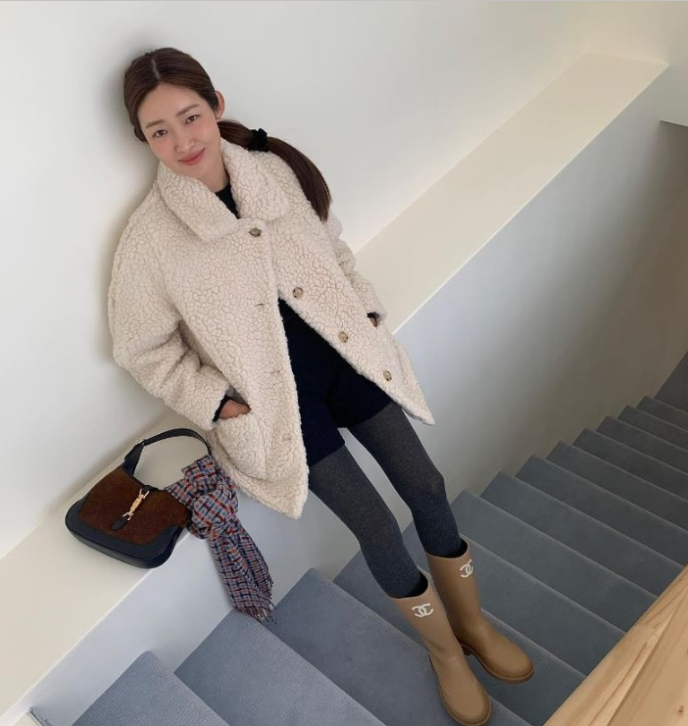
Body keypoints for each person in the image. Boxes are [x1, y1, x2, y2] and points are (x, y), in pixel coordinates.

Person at [110, 46, 533, 726]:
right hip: (276, 405)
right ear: (143, 138)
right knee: (375, 525)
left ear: (216, 106)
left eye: (190, 116)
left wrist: (365, 312)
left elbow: (333, 250)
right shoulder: (150, 240)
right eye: (159, 130)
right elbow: (142, 350)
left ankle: (474, 625)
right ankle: (445, 653)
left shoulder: (272, 173)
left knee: (425, 485)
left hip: (344, 361)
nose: (182, 141)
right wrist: (217, 402)